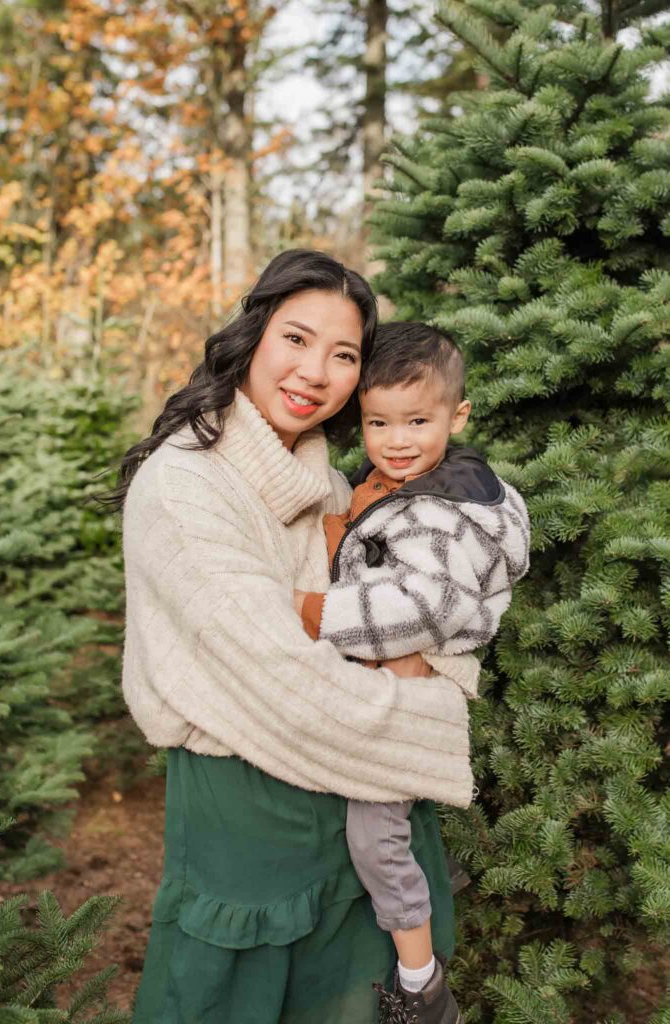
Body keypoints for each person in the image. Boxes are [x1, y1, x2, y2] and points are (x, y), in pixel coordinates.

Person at [97, 251, 481, 1024]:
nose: (315, 371)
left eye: (342, 355)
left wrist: (420, 664)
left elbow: (424, 614)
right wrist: (432, 717)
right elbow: (279, 674)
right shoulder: (183, 485)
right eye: (295, 339)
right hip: (251, 820)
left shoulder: (328, 481)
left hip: (361, 801)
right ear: (252, 337)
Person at [295, 322, 531, 1023]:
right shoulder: (430, 489)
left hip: (417, 681)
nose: (396, 440)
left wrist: (309, 610)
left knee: (373, 836)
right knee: (380, 819)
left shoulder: (438, 509)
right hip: (404, 677)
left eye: (417, 422)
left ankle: (422, 987)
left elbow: (422, 606)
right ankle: (426, 882)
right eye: (377, 423)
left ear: (456, 417)